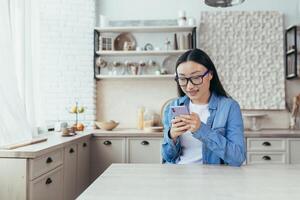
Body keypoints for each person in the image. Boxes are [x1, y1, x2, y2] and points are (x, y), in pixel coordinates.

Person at [161, 48, 246, 166]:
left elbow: (237, 157)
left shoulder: (229, 107)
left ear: (210, 74)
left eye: (196, 77)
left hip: (211, 179)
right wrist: (172, 137)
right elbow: (168, 157)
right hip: (178, 177)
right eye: (182, 79)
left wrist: (201, 129)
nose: (189, 86)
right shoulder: (173, 107)